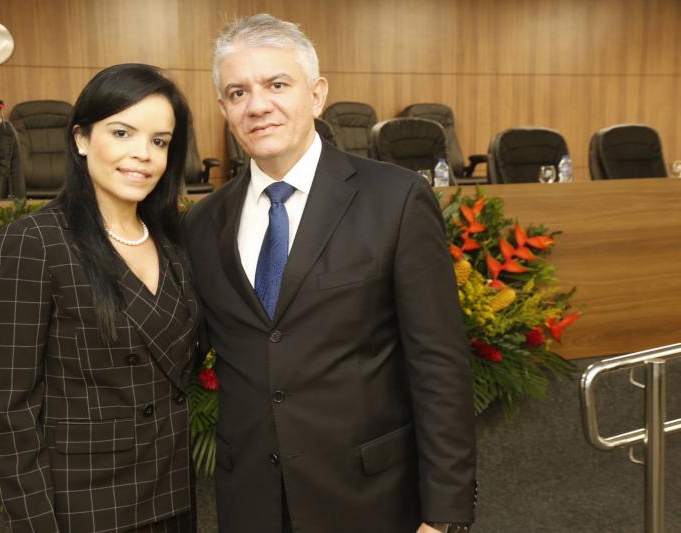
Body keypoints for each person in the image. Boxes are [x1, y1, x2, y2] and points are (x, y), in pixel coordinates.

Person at [184, 14, 476, 533]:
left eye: (277, 84)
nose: (257, 105)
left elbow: (439, 365)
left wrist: (445, 514)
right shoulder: (204, 222)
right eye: (237, 92)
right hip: (250, 499)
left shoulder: (395, 199)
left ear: (317, 95)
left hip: (370, 497)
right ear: (225, 108)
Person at [0, 64, 200, 533]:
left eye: (160, 141)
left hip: (171, 493)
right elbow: (11, 412)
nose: (142, 154)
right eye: (122, 133)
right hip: (86, 506)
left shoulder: (173, 240)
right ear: (81, 138)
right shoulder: (35, 242)